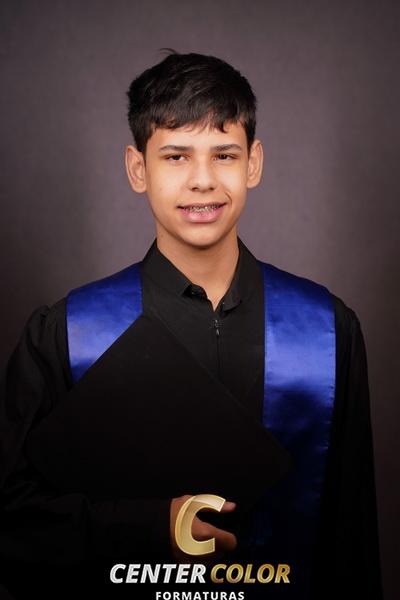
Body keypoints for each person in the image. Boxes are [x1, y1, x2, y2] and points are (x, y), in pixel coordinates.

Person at [0, 51, 382, 600]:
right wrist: (152, 526)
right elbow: (14, 518)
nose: (202, 181)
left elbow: (353, 541)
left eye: (224, 155)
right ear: (138, 169)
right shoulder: (70, 333)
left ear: (254, 163)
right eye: (176, 156)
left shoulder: (326, 330)